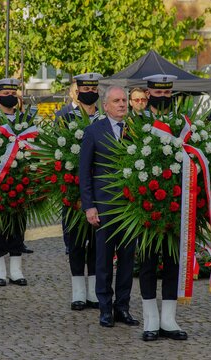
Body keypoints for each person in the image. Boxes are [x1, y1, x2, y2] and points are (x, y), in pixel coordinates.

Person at [79, 85, 139, 328]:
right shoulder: (94, 131)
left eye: (124, 100)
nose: (122, 104)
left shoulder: (137, 131)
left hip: (130, 208)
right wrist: (89, 206)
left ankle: (122, 307)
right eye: (117, 101)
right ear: (106, 105)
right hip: (103, 207)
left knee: (127, 260)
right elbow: (85, 172)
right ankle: (105, 308)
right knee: (103, 260)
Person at [139, 74, 187, 342]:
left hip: (176, 203)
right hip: (145, 205)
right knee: (147, 263)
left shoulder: (180, 123)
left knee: (172, 262)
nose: (164, 98)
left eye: (168, 94)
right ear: (149, 94)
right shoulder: (137, 123)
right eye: (159, 94)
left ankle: (169, 319)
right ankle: (151, 320)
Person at [0, 78, 31, 287]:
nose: (10, 96)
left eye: (13, 93)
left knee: (19, 226)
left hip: (21, 181)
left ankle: (16, 270)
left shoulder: (24, 119)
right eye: (5, 93)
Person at [60, 73, 103, 311]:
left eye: (93, 87)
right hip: (74, 190)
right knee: (76, 242)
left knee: (97, 243)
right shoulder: (65, 118)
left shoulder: (104, 118)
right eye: (85, 87)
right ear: (77, 91)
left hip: (100, 191)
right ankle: (78, 291)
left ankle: (94, 292)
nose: (89, 91)